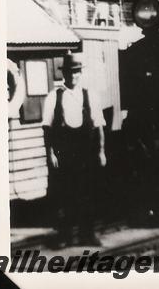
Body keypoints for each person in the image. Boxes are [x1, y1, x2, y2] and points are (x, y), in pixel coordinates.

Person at [42, 53, 107, 248]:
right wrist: (50, 153)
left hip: (86, 154)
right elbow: (47, 128)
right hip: (64, 155)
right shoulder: (54, 97)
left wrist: (101, 151)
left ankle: (88, 234)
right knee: (65, 195)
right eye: (70, 72)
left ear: (81, 73)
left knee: (87, 194)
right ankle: (65, 236)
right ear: (65, 74)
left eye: (77, 72)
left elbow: (99, 126)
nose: (73, 76)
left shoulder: (91, 95)